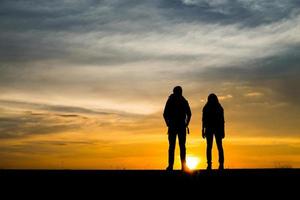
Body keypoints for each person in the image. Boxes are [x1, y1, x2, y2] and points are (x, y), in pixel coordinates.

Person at [163, 86, 192, 171]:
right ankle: (181, 166)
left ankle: (173, 166)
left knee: (174, 147)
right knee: (180, 147)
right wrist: (186, 123)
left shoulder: (173, 100)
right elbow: (189, 114)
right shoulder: (182, 101)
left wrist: (168, 123)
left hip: (175, 126)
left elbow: (165, 114)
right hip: (178, 126)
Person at [202, 93, 225, 170]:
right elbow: (203, 120)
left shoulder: (217, 108)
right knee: (213, 147)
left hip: (214, 128)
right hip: (212, 129)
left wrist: (203, 130)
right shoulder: (211, 108)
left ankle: (219, 164)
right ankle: (211, 164)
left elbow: (222, 120)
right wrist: (203, 129)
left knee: (215, 147)